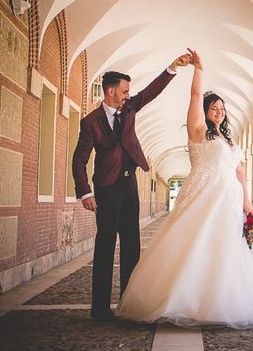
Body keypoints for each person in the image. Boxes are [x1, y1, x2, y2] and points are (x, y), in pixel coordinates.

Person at [115, 47, 253, 328]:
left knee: (228, 250)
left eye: (223, 109)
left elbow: (240, 172)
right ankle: (189, 301)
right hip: (204, 198)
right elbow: (196, 96)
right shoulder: (198, 130)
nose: (220, 112)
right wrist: (199, 68)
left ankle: (229, 301)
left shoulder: (229, 140)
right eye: (215, 108)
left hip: (231, 201)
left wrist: (247, 202)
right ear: (205, 111)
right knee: (198, 247)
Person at [72, 52, 191, 320]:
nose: (128, 95)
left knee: (132, 245)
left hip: (129, 184)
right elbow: (79, 160)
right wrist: (85, 192)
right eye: (124, 91)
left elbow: (151, 92)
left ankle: (128, 304)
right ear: (111, 91)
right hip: (105, 188)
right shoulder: (90, 122)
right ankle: (100, 309)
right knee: (104, 245)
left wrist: (172, 67)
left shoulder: (130, 108)